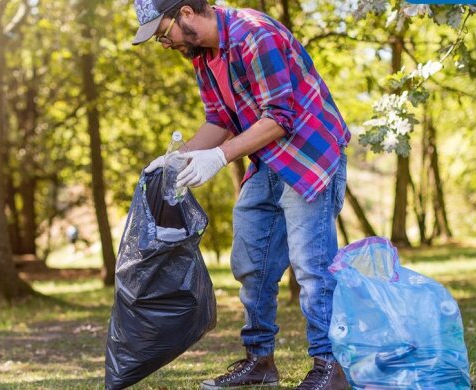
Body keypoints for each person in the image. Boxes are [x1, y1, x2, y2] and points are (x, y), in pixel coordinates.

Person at [132, 0, 351, 388]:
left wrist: (218, 157)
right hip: (267, 161)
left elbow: (280, 117)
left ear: (185, 13)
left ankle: (329, 367)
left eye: (164, 34)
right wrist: (174, 160)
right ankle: (260, 362)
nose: (164, 44)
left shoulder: (254, 34)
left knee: (312, 267)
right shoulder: (203, 55)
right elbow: (219, 119)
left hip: (308, 156)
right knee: (252, 262)